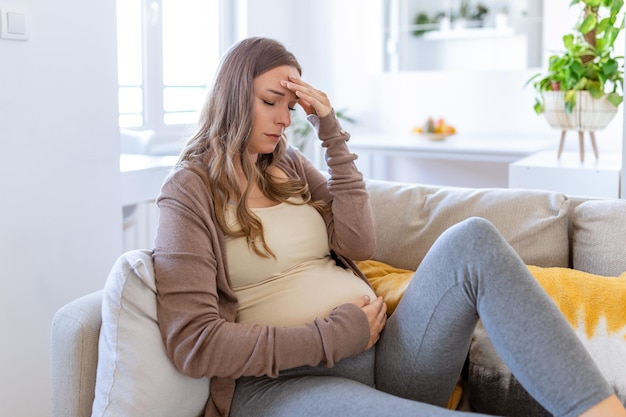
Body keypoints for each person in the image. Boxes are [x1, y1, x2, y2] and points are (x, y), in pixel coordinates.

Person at [153, 37, 626, 417]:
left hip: (384, 358)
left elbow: (358, 243)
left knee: (472, 238)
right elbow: (193, 343)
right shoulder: (189, 191)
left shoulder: (289, 166)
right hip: (283, 386)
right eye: (271, 101)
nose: (283, 119)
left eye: (291, 108)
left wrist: (331, 133)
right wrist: (331, 336)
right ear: (233, 95)